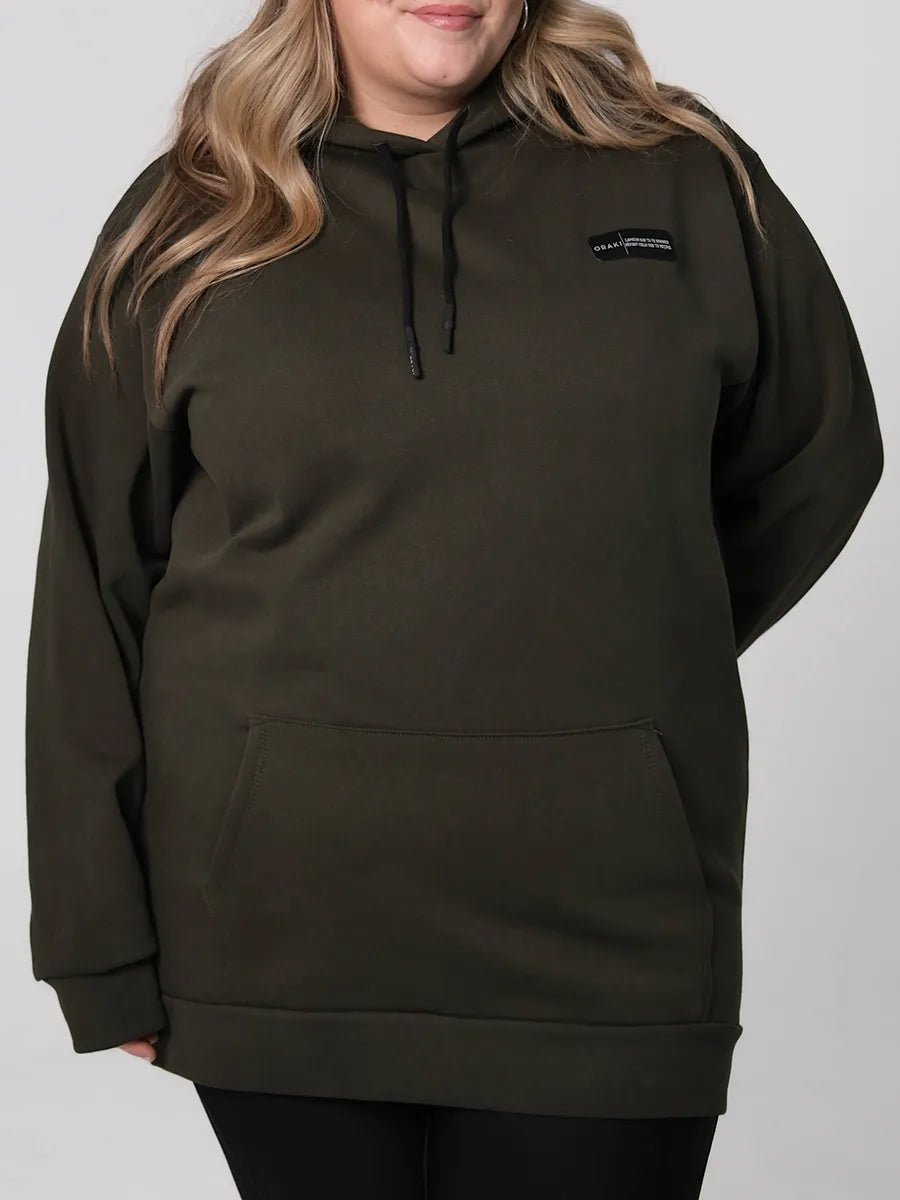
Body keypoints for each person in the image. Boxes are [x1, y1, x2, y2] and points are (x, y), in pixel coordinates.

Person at [24, 1, 884, 1196]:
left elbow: (818, 454)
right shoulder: (193, 216)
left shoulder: (685, 179)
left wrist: (618, 643)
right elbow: (95, 583)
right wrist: (95, 944)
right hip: (278, 930)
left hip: (610, 933)